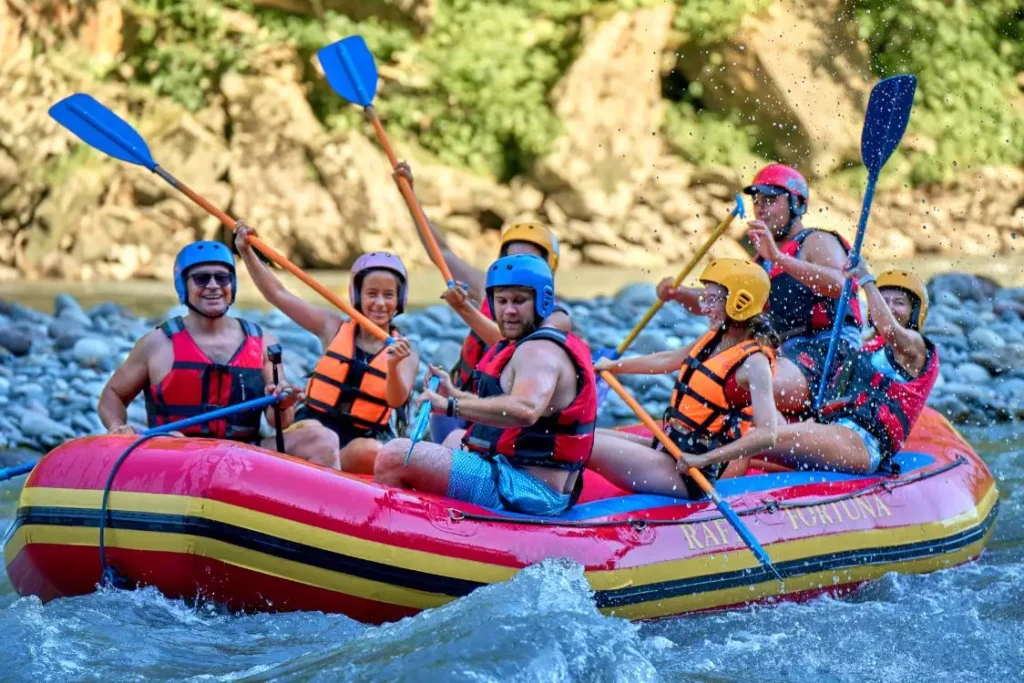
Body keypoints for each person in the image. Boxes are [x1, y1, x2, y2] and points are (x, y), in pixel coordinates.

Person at [374, 255, 598, 516]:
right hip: (517, 476)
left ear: (543, 302)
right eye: (501, 301)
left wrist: (450, 406)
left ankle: (393, 530)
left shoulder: (539, 351)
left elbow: (526, 410)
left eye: (519, 301)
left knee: (394, 455)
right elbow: (505, 404)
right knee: (454, 438)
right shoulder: (524, 345)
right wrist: (455, 393)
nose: (509, 311)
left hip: (528, 491)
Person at [98, 241, 337, 465]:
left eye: (222, 278)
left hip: (243, 455)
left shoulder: (263, 342)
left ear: (232, 285)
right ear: (183, 286)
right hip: (177, 454)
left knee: (322, 439)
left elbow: (280, 423)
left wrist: (283, 404)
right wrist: (117, 426)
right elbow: (112, 394)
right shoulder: (157, 344)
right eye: (201, 279)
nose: (213, 286)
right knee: (175, 437)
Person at [656, 164, 862, 415]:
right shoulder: (762, 262)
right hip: (784, 352)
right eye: (757, 201)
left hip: (830, 347)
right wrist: (680, 294)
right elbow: (724, 303)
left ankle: (762, 427)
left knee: (749, 386)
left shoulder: (816, 241)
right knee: (712, 377)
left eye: (771, 200)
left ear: (797, 204)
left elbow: (841, 285)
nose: (761, 208)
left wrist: (779, 258)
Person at [392, 162, 573, 441]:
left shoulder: (557, 317)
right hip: (462, 401)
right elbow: (441, 251)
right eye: (511, 259)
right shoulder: (486, 285)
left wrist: (465, 310)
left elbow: (512, 344)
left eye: (529, 260)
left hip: (505, 417)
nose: (518, 268)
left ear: (549, 267)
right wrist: (409, 195)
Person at [234, 223, 420, 473]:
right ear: (357, 296)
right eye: (371, 293)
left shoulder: (406, 352)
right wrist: (247, 252)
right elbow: (278, 295)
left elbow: (396, 400)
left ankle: (334, 480)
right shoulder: (332, 327)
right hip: (313, 432)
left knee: (371, 451)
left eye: (388, 295)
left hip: (356, 444)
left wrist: (393, 365)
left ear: (399, 299)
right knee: (319, 435)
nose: (379, 303)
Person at [591, 258, 780, 497]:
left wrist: (704, 459)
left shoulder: (755, 363)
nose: (705, 308)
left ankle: (556, 499)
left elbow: (767, 435)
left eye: (712, 300)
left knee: (585, 443)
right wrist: (613, 366)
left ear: (740, 302)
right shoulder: (715, 337)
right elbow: (668, 360)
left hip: (690, 474)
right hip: (670, 447)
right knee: (584, 434)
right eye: (705, 298)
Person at [763, 265, 939, 474]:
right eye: (884, 301)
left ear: (915, 312)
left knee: (754, 441)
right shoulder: (867, 349)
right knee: (753, 418)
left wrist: (865, 279)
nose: (890, 308)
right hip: (837, 431)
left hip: (862, 442)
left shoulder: (916, 347)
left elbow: (889, 329)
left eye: (899, 303)